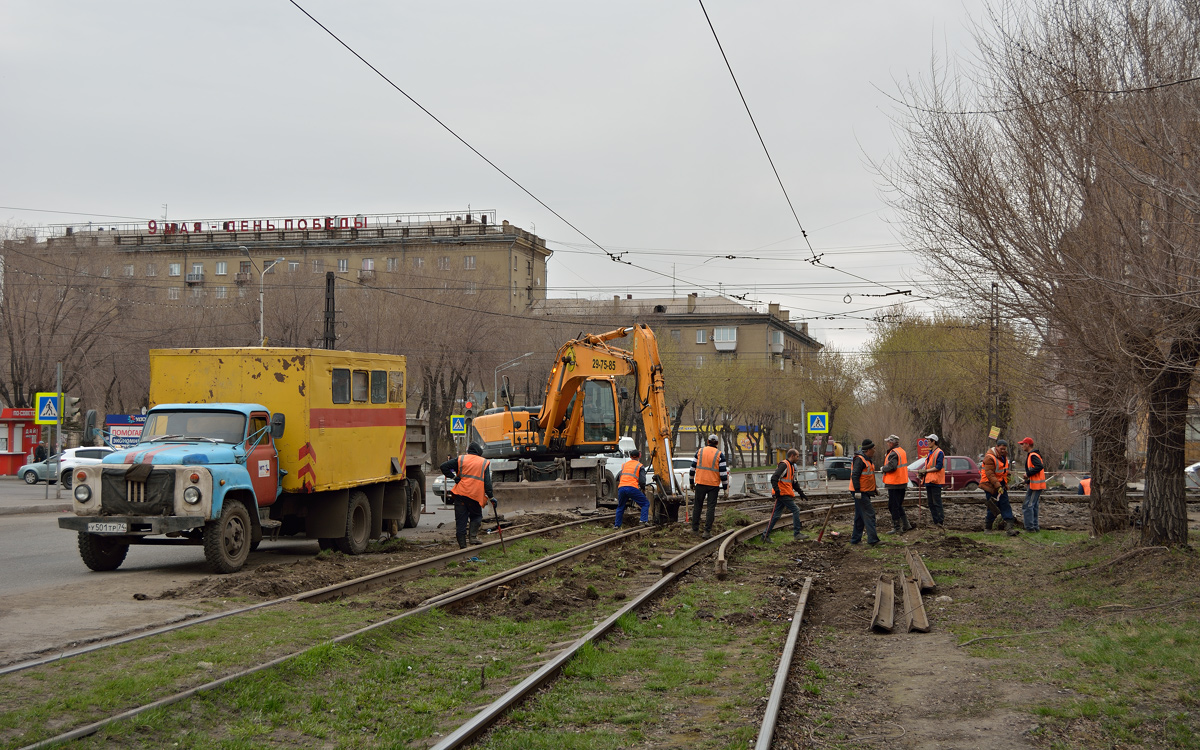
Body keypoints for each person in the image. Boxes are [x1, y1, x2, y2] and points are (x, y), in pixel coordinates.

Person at [439, 442, 495, 549]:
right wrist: (491, 497)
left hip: (460, 494)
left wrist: (454, 477)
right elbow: (487, 483)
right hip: (474, 496)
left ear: (469, 451)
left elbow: (443, 466)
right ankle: (473, 537)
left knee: (461, 521)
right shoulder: (483, 462)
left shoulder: (461, 459)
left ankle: (463, 546)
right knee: (477, 516)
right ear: (479, 452)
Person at [761, 448, 808, 542]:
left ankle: (765, 536)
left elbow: (793, 482)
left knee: (776, 515)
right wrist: (777, 491)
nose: (798, 458)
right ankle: (797, 533)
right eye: (797, 456)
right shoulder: (784, 465)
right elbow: (774, 478)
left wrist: (801, 493)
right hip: (782, 494)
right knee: (796, 510)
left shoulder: (791, 466)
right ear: (792, 456)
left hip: (784, 493)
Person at [690, 433, 728, 539]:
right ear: (717, 443)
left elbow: (692, 468)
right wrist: (725, 489)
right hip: (713, 485)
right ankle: (707, 531)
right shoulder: (720, 455)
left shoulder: (699, 451)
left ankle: (694, 529)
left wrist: (691, 482)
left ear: (707, 442)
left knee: (697, 506)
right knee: (711, 508)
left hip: (700, 483)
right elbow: (723, 474)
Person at [980, 439, 1018, 535]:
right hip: (990, 486)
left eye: (1004, 449)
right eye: (1001, 449)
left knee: (1005, 505)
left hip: (1000, 485)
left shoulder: (1003, 457)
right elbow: (990, 474)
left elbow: (1003, 470)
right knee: (993, 507)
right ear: (996, 447)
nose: (1003, 450)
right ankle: (987, 528)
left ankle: (1009, 528)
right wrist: (998, 486)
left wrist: (1007, 477)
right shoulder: (989, 457)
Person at [849, 439, 881, 545]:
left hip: (863, 491)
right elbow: (855, 475)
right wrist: (857, 491)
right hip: (860, 492)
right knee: (869, 514)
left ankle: (855, 539)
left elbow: (867, 477)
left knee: (859, 516)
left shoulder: (866, 459)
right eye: (873, 448)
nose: (875, 450)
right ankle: (873, 540)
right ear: (868, 450)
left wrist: (874, 489)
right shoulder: (860, 460)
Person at [881, 435, 911, 534]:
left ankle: (897, 528)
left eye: (889, 442)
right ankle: (906, 525)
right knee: (898, 505)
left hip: (894, 483)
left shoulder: (893, 453)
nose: (887, 444)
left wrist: (883, 468)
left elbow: (892, 466)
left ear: (892, 442)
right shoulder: (902, 451)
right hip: (902, 482)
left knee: (893, 506)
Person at [916, 433, 946, 528]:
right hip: (929, 481)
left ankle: (940, 521)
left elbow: (938, 466)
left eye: (929, 441)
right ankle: (935, 521)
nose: (927, 443)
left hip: (936, 481)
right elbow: (929, 466)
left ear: (934, 441)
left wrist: (926, 471)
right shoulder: (930, 453)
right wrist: (923, 473)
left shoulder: (939, 452)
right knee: (930, 503)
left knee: (937, 502)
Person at [614, 449, 649, 528]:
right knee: (645, 503)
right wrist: (643, 489)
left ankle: (617, 525)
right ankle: (643, 521)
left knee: (620, 506)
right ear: (639, 456)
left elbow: (621, 476)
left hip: (622, 487)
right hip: (632, 488)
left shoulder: (624, 465)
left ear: (630, 456)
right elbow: (642, 481)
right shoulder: (639, 465)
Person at [1017, 437, 1045, 532]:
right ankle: (1035, 527)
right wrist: (1027, 481)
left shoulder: (1033, 455)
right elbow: (1037, 472)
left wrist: (1027, 474)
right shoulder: (1033, 455)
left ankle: (1030, 528)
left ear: (1027, 444)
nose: (1021, 446)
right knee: (1034, 505)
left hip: (1035, 486)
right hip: (1034, 484)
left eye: (1022, 444)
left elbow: (1039, 467)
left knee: (1027, 505)